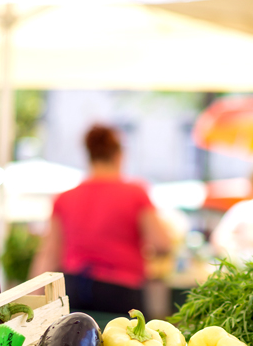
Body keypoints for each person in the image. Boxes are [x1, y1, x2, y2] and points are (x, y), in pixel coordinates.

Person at [30, 124, 171, 313]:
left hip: (74, 289)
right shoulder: (135, 194)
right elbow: (162, 244)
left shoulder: (65, 198)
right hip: (122, 291)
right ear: (119, 155)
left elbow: (49, 254)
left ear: (89, 156)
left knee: (75, 341)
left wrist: (32, 301)